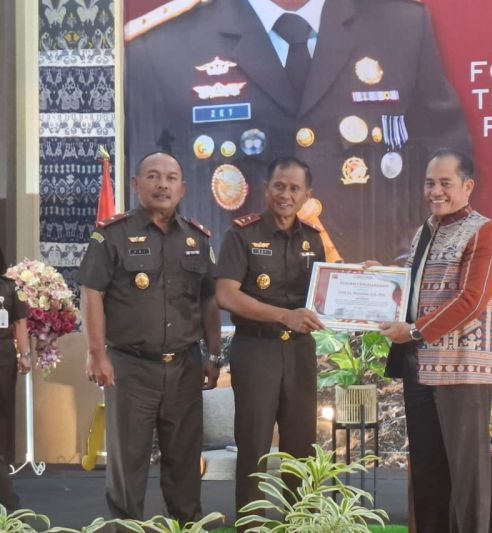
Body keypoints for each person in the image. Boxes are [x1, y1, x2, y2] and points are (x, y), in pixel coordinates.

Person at [124, 0, 471, 265]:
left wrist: (408, 263)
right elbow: (145, 194)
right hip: (233, 304)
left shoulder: (401, 27)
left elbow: (447, 160)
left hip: (370, 295)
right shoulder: (163, 44)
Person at [78, 152, 221, 521]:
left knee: (185, 463)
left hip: (185, 366)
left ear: (182, 188)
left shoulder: (197, 237)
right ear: (135, 184)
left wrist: (213, 354)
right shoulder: (112, 235)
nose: (162, 185)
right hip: (130, 368)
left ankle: (186, 527)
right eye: (153, 176)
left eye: (171, 178)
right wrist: (96, 353)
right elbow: (92, 292)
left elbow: (209, 298)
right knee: (128, 464)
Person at [379, 149, 492, 533]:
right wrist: (375, 278)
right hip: (419, 367)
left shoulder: (485, 230)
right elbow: (412, 287)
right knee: (427, 476)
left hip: (462, 371)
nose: (436, 191)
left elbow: (472, 299)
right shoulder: (425, 230)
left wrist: (414, 331)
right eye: (429, 183)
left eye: (445, 183)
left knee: (467, 481)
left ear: (468, 186)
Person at [214, 156, 326, 519]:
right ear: (266, 189)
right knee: (254, 445)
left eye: (294, 188)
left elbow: (325, 295)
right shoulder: (241, 234)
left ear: (307, 194)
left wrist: (362, 279)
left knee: (302, 446)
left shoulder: (313, 239)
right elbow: (226, 295)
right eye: (279, 186)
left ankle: (302, 523)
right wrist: (284, 315)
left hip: (299, 352)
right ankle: (251, 525)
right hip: (256, 349)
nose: (285, 195)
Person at [0, 247, 30, 510]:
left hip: (3, 355)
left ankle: (3, 461)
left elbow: (20, 322)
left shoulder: (10, 288)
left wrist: (25, 355)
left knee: (4, 410)